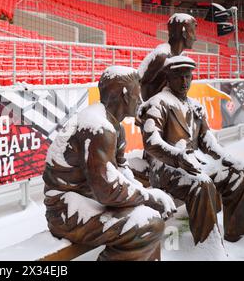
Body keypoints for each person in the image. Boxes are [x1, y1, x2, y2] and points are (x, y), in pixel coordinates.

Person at [43, 66, 176, 261]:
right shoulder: (98, 127)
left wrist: (145, 195)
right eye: (136, 94)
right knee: (149, 224)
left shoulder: (113, 126)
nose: (140, 101)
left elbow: (121, 171)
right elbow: (106, 191)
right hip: (64, 211)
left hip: (87, 199)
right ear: (124, 94)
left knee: (147, 214)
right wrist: (148, 197)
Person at [138, 55, 244, 248]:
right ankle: (208, 247)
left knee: (242, 172)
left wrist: (225, 158)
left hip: (196, 162)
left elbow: (207, 141)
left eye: (188, 76)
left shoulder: (195, 105)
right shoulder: (158, 103)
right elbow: (151, 142)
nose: (185, 81)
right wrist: (177, 157)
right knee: (203, 184)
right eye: (179, 76)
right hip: (166, 167)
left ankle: (234, 233)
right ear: (168, 78)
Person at [139, 13, 197, 101]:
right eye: (193, 32)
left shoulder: (178, 56)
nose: (195, 38)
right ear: (184, 33)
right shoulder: (162, 56)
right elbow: (138, 84)